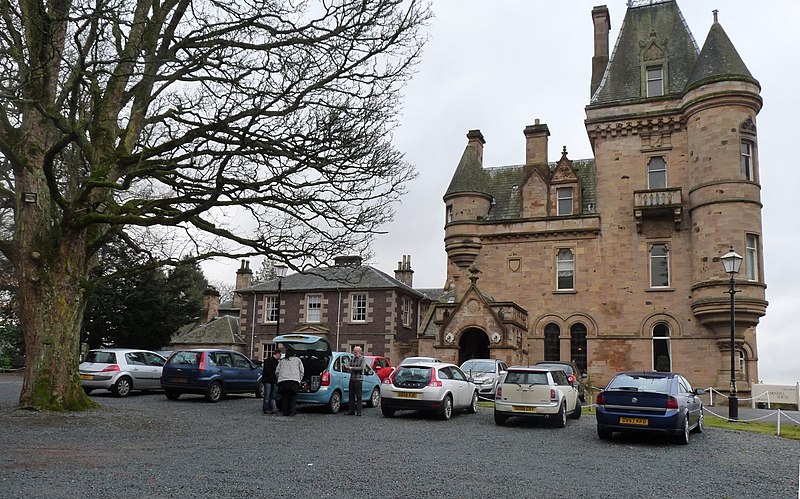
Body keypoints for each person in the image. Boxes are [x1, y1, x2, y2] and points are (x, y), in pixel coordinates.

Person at [276, 349, 303, 416]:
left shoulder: (282, 361)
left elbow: (277, 371)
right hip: (294, 381)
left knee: (284, 397)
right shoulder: (298, 360)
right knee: (293, 397)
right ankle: (292, 411)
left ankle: (285, 412)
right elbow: (302, 371)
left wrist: (279, 379)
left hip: (283, 381)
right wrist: (299, 380)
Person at [343, 346, 366, 416]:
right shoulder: (352, 358)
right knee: (351, 395)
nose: (354, 353)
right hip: (352, 378)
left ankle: (359, 411)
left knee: (359, 396)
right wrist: (346, 367)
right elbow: (349, 367)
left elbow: (361, 368)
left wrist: (352, 368)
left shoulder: (362, 359)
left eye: (355, 352)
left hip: (358, 379)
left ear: (359, 352)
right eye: (354, 351)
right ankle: (351, 410)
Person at [261, 348, 282, 414]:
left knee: (272, 396)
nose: (280, 356)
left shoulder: (271, 361)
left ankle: (270, 408)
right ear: (277, 354)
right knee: (268, 396)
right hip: (269, 380)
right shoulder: (269, 361)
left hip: (272, 380)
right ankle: (266, 408)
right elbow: (267, 371)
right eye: (280, 355)